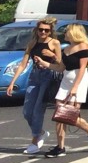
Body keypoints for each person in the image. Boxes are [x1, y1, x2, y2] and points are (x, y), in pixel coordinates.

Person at [6, 17, 62, 154]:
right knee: (27, 111)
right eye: (41, 30)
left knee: (38, 110)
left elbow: (60, 63)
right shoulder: (32, 43)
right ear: (36, 30)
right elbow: (23, 64)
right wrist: (12, 82)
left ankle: (35, 140)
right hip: (34, 76)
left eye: (46, 30)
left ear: (50, 31)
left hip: (47, 76)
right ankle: (41, 132)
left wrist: (51, 55)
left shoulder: (55, 43)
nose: (43, 32)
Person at [46, 23, 88, 157]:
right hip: (66, 81)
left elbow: (82, 68)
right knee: (59, 114)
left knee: (69, 115)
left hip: (79, 81)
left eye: (66, 31)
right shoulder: (66, 50)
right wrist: (45, 63)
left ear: (73, 32)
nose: (64, 33)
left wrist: (75, 87)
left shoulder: (83, 46)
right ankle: (60, 147)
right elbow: (60, 68)